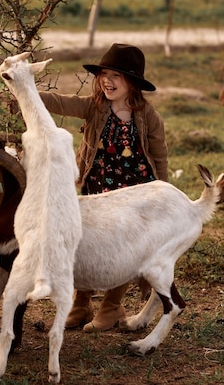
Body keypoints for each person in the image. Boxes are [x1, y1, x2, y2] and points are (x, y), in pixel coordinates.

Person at [38, 43, 169, 332]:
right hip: (96, 190)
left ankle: (111, 306)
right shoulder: (94, 107)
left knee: (122, 249)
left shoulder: (147, 116)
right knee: (85, 242)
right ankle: (80, 304)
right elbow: (61, 102)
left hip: (133, 195)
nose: (107, 81)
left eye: (116, 76)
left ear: (132, 83)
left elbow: (159, 155)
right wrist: (27, 92)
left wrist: (163, 193)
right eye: (104, 74)